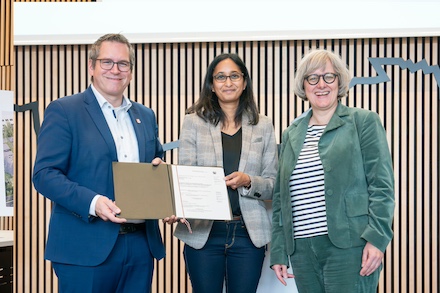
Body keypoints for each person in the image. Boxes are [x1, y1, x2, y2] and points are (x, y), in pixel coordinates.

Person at [32, 33, 166, 293]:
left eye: (123, 64)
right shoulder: (65, 110)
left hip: (140, 248)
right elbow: (45, 174)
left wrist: (164, 191)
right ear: (91, 67)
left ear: (131, 71)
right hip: (85, 247)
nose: (115, 70)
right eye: (107, 62)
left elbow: (156, 162)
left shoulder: (146, 115)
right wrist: (93, 203)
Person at [270, 49, 395, 292]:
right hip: (302, 250)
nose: (321, 85)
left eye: (328, 76)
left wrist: (377, 240)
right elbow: (280, 199)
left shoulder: (363, 121)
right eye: (312, 78)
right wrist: (279, 251)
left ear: (339, 81)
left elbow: (382, 186)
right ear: (303, 85)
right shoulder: (291, 133)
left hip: (350, 246)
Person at [164, 53, 278, 293]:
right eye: (221, 77)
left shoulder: (263, 125)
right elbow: (185, 178)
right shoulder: (193, 123)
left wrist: (249, 181)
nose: (228, 83)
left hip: (248, 234)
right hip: (203, 232)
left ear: (245, 82)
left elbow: (272, 184)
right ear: (212, 85)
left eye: (234, 76)